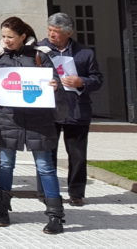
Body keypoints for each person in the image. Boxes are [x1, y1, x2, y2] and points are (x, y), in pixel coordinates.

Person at [0, 16, 66, 234]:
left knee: (45, 167)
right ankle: (1, 210)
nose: (6, 41)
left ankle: (55, 215)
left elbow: (56, 83)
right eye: (3, 36)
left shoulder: (39, 55)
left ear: (22, 36)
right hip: (8, 119)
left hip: (39, 121)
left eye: (10, 37)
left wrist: (54, 86)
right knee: (5, 164)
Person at [39, 12, 102, 207]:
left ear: (68, 33)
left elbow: (98, 80)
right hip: (49, 109)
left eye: (56, 32)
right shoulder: (39, 51)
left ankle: (76, 193)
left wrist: (81, 81)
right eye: (50, 30)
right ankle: (46, 192)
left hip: (77, 111)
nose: (52, 35)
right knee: (47, 153)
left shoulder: (85, 53)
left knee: (77, 155)